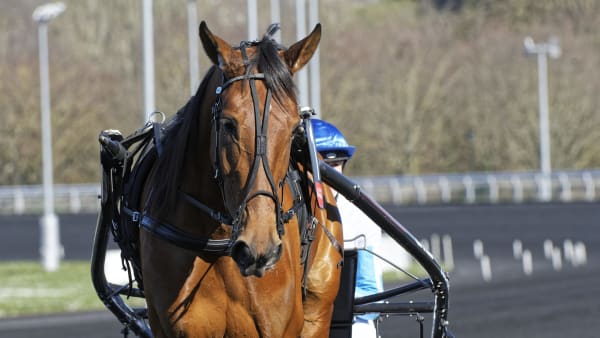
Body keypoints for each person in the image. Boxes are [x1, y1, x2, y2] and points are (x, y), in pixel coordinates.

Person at [311, 118, 383, 338]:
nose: (330, 175)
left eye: (334, 166)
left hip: (350, 325)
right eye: (321, 166)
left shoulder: (361, 218)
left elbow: (373, 296)